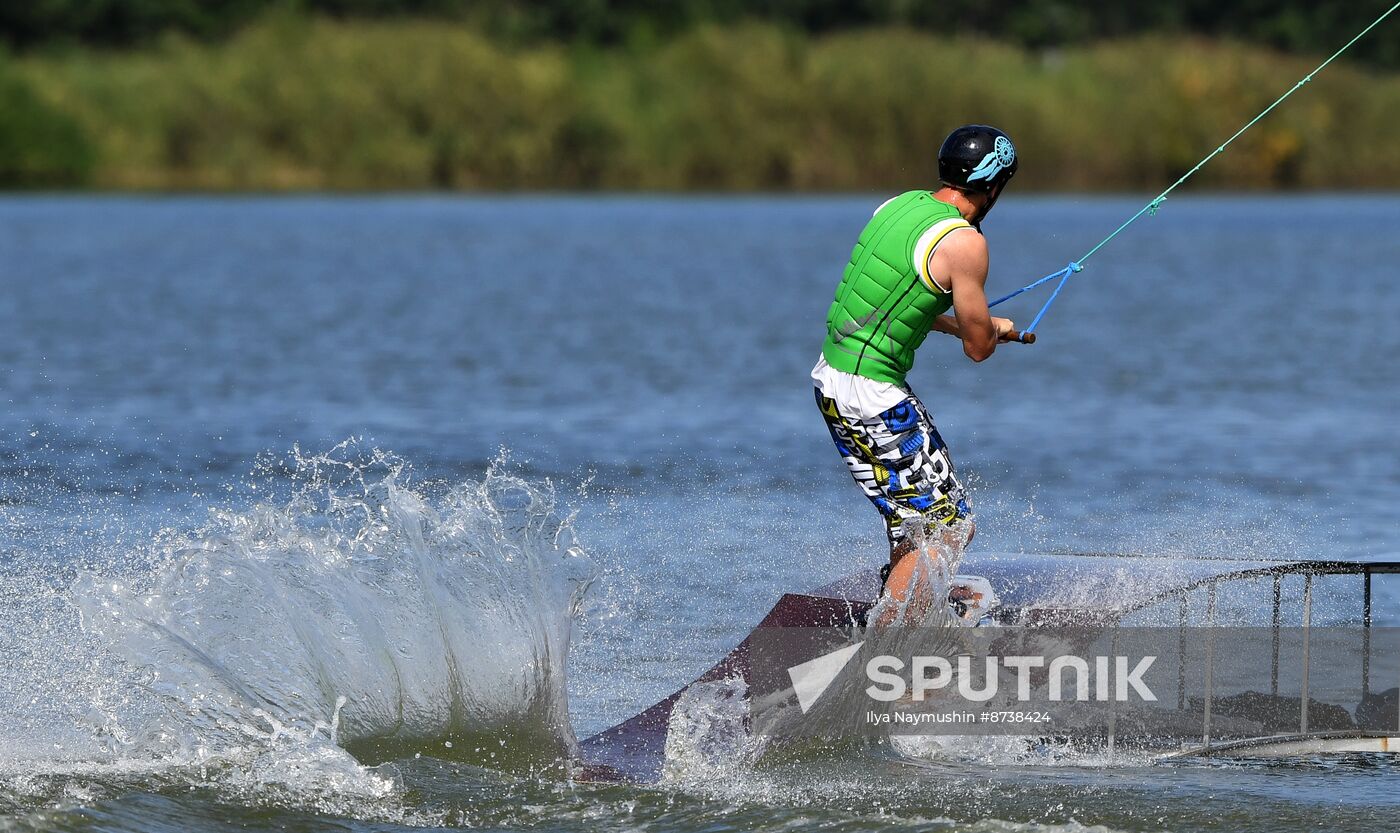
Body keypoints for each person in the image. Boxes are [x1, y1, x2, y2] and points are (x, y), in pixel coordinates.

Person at [813, 124, 1020, 617]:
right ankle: (891, 639)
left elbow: (902, 309)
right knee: (951, 526)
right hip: (873, 395)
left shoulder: (897, 206)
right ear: (993, 186)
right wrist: (991, 330)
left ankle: (901, 611)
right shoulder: (965, 244)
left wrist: (980, 324)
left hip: (830, 383)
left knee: (910, 521)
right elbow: (978, 350)